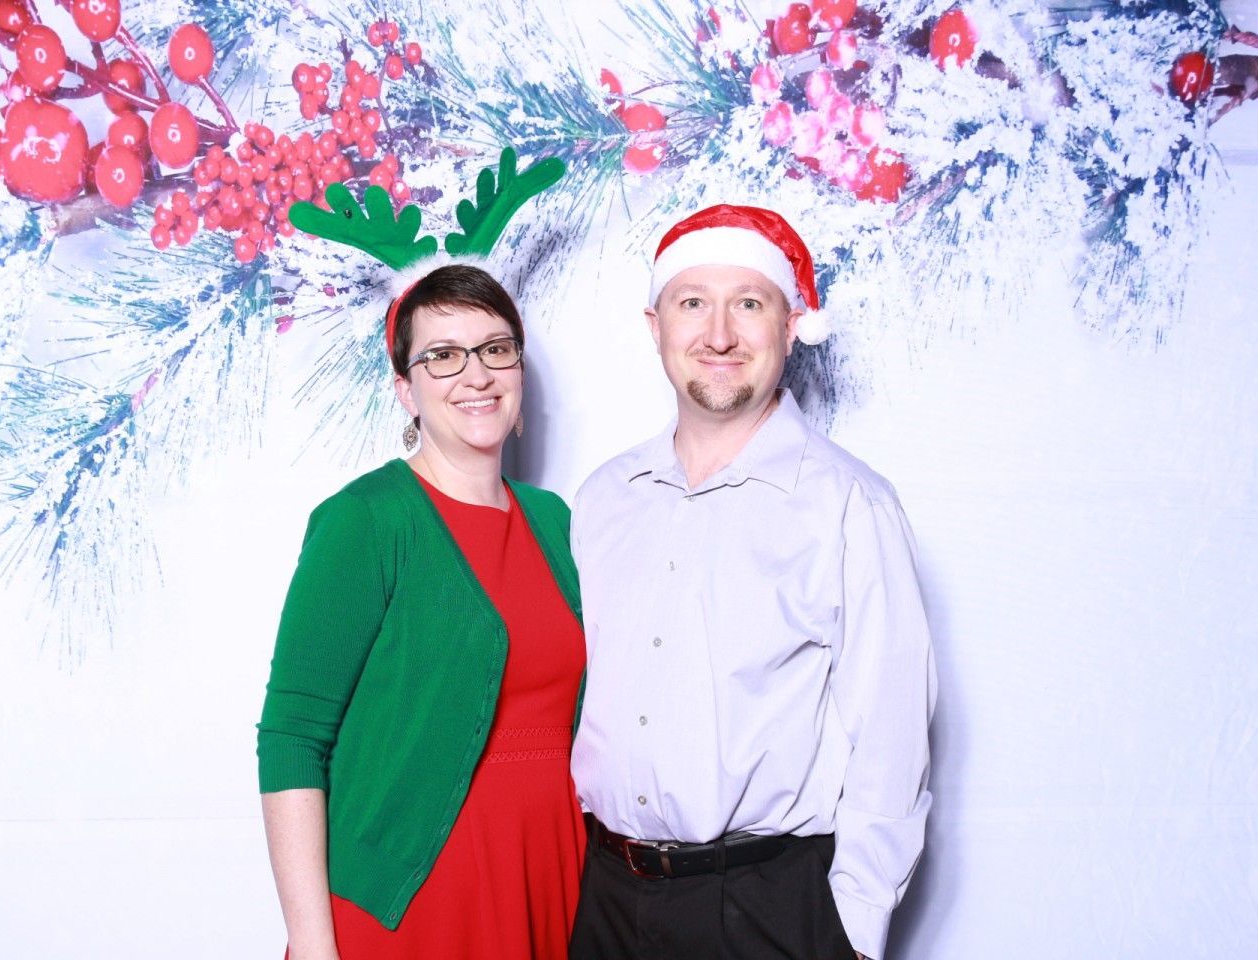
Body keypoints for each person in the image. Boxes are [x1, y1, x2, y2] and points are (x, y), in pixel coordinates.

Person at [568, 205, 936, 960]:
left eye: (750, 303)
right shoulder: (603, 499)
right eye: (693, 302)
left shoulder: (847, 504)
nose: (719, 334)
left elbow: (893, 731)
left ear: (791, 325)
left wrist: (854, 929)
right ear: (656, 325)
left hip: (767, 908)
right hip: (606, 897)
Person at [257, 264, 587, 960]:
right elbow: (293, 738)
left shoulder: (555, 523)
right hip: (415, 904)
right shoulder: (366, 522)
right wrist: (314, 947)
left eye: (497, 349)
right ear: (404, 388)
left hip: (550, 882)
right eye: (442, 356)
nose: (476, 375)